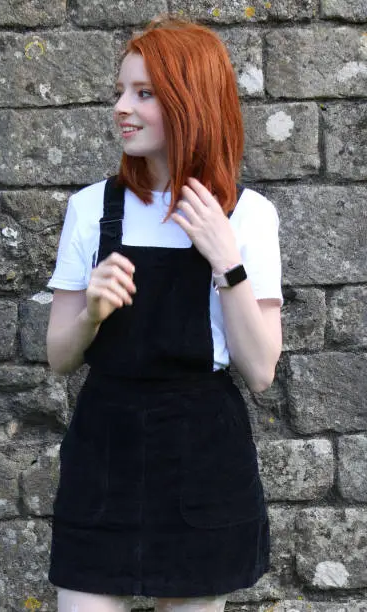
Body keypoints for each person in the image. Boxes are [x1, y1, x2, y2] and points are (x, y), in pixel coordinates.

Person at [46, 15, 283, 612]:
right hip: (104, 449)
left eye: (144, 93)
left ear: (189, 101)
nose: (123, 108)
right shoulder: (91, 210)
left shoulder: (248, 215)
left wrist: (226, 261)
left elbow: (259, 372)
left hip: (202, 453)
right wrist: (92, 312)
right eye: (121, 91)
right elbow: (58, 358)